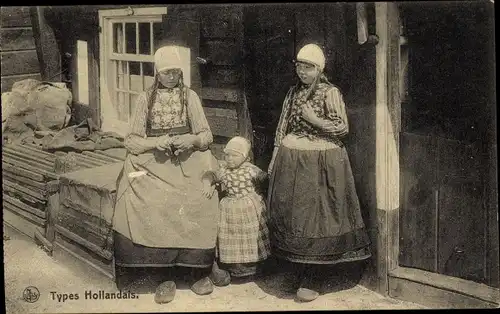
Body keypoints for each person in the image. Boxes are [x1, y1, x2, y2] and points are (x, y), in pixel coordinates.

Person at [112, 45, 229, 304]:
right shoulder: (145, 98)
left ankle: (196, 270)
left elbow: (207, 136)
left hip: (188, 160)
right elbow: (131, 141)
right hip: (154, 163)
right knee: (154, 201)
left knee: (200, 196)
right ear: (157, 73)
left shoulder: (191, 97)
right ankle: (163, 275)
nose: (171, 77)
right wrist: (156, 143)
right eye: (166, 73)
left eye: (176, 72)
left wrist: (191, 140)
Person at [267, 43, 372, 302]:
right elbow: (282, 127)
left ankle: (314, 275)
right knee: (296, 215)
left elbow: (342, 127)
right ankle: (296, 268)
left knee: (318, 216)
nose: (303, 72)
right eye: (299, 66)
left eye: (309, 67)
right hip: (292, 160)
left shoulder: (330, 92)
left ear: (319, 69)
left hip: (322, 161)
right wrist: (274, 156)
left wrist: (314, 120)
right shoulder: (292, 93)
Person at [202, 136, 271, 280]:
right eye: (227, 155)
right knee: (233, 237)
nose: (229, 159)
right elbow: (211, 175)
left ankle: (253, 266)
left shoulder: (251, 169)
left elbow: (265, 180)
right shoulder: (224, 170)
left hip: (249, 208)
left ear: (244, 157)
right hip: (230, 208)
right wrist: (207, 183)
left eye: (234, 156)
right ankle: (235, 267)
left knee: (250, 236)